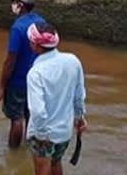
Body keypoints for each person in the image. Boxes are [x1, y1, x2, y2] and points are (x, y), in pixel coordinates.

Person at [26, 23, 87, 175]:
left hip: (43, 134)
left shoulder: (35, 73)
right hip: (64, 131)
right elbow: (79, 96)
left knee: (42, 170)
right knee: (55, 163)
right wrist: (79, 118)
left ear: (35, 45)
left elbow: (38, 112)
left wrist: (41, 136)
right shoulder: (73, 61)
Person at [0, 0, 46, 148]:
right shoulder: (41, 22)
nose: (12, 4)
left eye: (14, 1)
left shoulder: (18, 28)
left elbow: (10, 60)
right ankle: (29, 148)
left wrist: (1, 86)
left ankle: (12, 153)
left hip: (18, 82)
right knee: (30, 116)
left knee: (16, 119)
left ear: (21, 5)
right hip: (37, 80)